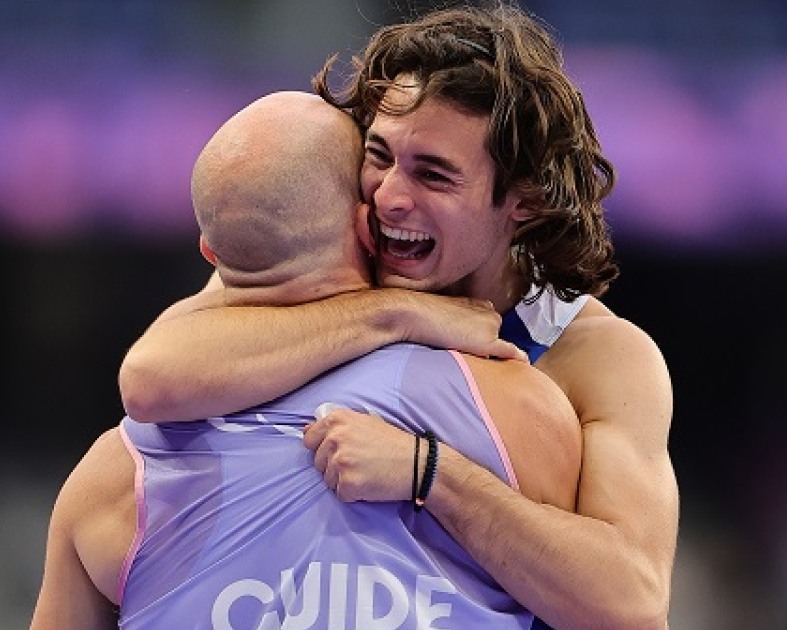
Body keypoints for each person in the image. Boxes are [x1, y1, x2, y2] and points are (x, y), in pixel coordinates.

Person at [119, 4, 678, 630]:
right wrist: (395, 313)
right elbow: (151, 379)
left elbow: (630, 603)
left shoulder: (596, 356)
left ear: (524, 199)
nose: (388, 197)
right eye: (379, 155)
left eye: (433, 175)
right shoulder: (324, 261)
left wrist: (429, 470)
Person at [30, 91, 582, 629]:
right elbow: (599, 606)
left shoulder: (112, 478)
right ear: (369, 226)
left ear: (210, 254)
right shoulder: (512, 406)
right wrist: (430, 465)